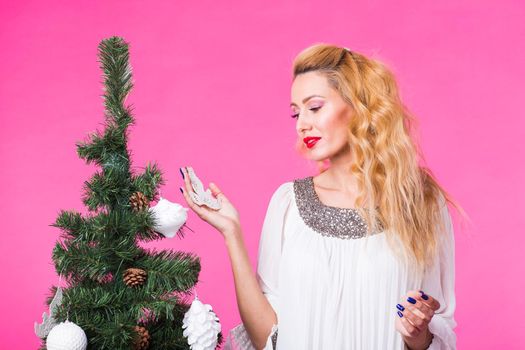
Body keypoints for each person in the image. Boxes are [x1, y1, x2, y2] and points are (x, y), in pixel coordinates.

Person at [179, 43, 464, 350]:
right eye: (295, 113)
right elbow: (268, 339)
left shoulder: (419, 201)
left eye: (314, 107)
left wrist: (417, 333)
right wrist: (231, 232)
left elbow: (438, 329)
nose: (302, 124)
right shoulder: (288, 203)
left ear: (358, 105)